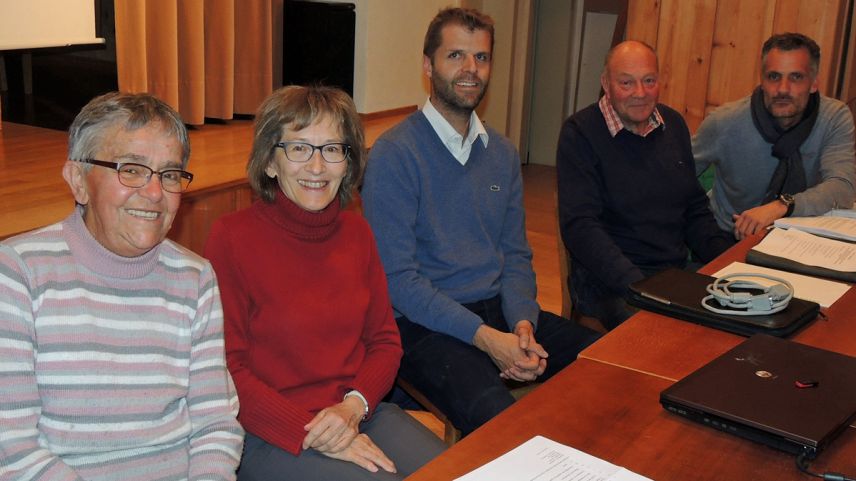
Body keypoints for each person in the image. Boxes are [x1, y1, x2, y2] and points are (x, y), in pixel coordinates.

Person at [361, 7, 601, 437]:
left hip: (500, 311)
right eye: (455, 56)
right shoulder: (394, 155)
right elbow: (397, 281)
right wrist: (486, 338)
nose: (471, 69)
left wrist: (524, 321)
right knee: (503, 423)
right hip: (423, 325)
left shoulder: (502, 154)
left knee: (608, 365)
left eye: (482, 58)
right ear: (428, 65)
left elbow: (514, 253)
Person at [204, 85, 445, 481]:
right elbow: (226, 369)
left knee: (464, 470)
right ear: (269, 162)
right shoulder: (231, 238)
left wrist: (353, 407)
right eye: (298, 148)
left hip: (357, 412)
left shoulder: (358, 233)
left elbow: (384, 342)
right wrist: (318, 433)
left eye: (332, 149)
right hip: (272, 431)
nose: (317, 167)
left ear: (348, 164)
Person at [0, 92, 244, 480]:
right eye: (131, 169)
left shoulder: (195, 278)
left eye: (169, 174)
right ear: (78, 180)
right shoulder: (17, 272)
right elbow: (11, 446)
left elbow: (214, 423)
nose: (153, 193)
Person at [556, 41, 733, 330]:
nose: (640, 93)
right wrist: (640, 286)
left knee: (737, 318)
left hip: (672, 273)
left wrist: (726, 263)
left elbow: (693, 208)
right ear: (606, 83)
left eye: (648, 81)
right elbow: (581, 227)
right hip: (608, 282)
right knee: (660, 337)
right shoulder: (580, 133)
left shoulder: (672, 124)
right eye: (626, 82)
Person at [694, 32, 856, 240]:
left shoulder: (833, 118)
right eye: (774, 77)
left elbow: (843, 186)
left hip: (802, 239)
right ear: (762, 80)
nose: (783, 89)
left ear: (814, 83)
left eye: (796, 77)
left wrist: (782, 206)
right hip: (729, 239)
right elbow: (676, 179)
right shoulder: (724, 122)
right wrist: (703, 235)